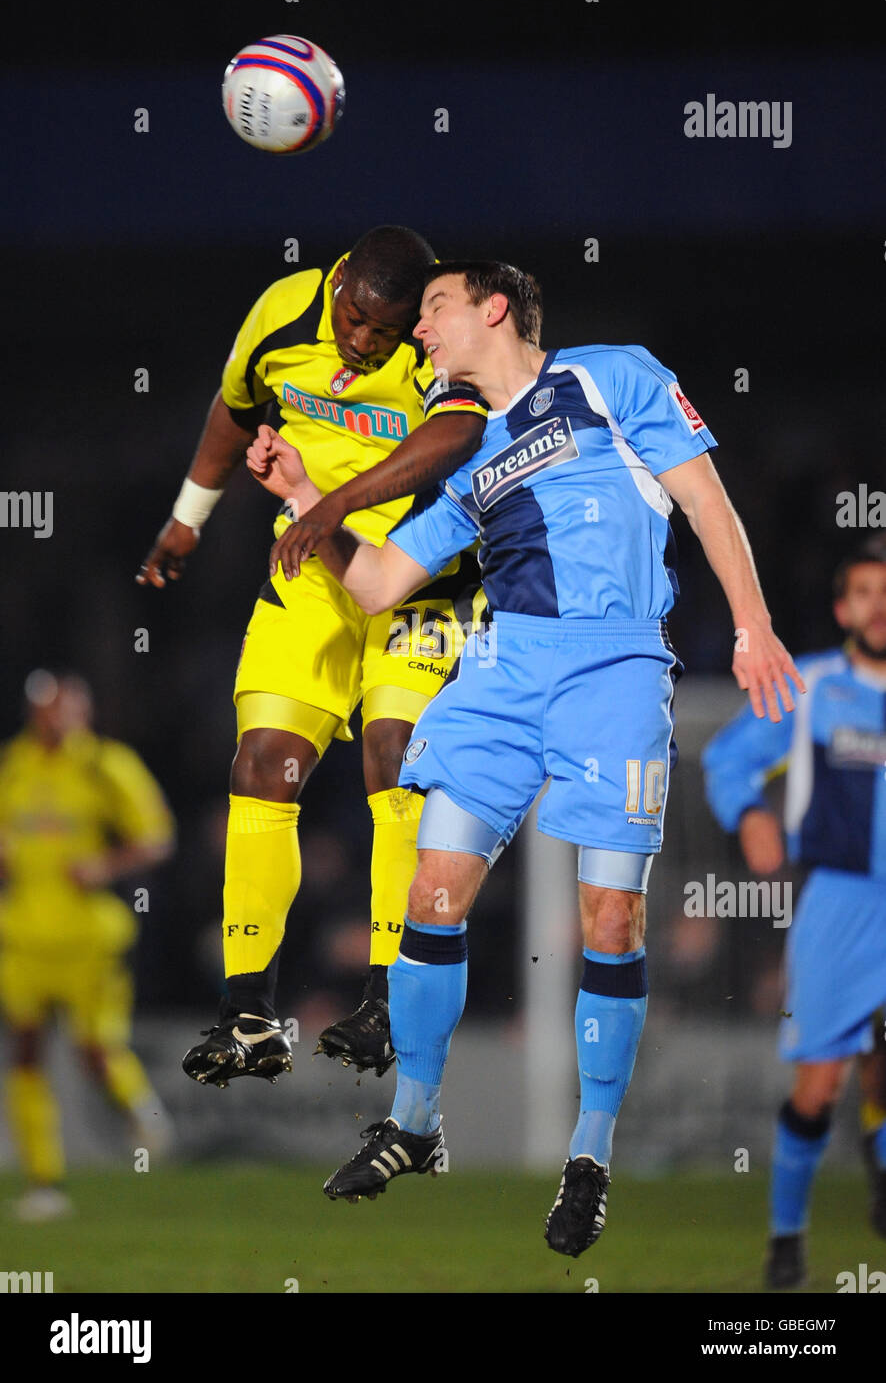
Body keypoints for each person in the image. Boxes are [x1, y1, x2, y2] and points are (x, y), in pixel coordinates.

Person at [248, 259, 803, 1256]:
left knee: (611, 913)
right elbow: (375, 583)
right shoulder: (466, 460)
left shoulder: (611, 376)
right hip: (503, 674)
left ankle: (588, 1154)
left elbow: (707, 501)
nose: (419, 330)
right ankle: (414, 1124)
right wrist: (303, 493)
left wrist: (752, 627)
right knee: (432, 890)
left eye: (435, 309)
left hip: (614, 669)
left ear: (494, 307)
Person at [137, 226, 488, 1086]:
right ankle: (250, 1012)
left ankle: (388, 997)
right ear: (337, 285)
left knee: (392, 757)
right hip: (313, 569)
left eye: (383, 329)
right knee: (262, 763)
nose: (361, 340)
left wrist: (333, 500)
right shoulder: (285, 312)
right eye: (354, 318)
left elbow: (458, 437)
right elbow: (234, 405)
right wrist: (189, 516)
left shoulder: (440, 337)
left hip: (423, 577)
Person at [702, 535, 886, 1289]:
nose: (881, 607)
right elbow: (727, 758)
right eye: (866, 593)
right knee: (820, 1088)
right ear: (845, 607)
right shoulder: (810, 685)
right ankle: (786, 1239)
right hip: (840, 906)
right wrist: (749, 813)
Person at [0, 671, 175, 1221]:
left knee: (94, 1052)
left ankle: (140, 1110)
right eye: (43, 707)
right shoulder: (15, 764)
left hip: (88, 936)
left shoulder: (106, 765)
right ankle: (44, 1182)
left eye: (60, 707)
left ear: (81, 711)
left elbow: (156, 836)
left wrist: (106, 864)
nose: (51, 717)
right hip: (23, 933)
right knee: (25, 1052)